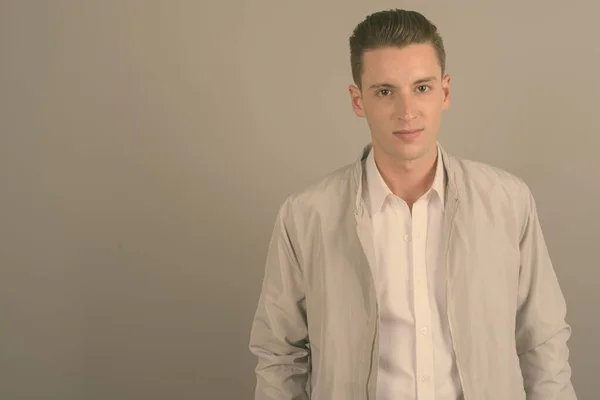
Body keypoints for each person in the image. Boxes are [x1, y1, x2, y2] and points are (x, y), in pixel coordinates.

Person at [249, 8, 576, 400]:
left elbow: (543, 343)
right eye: (385, 91)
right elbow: (279, 356)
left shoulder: (508, 202)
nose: (407, 111)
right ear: (358, 101)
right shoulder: (305, 217)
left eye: (421, 87)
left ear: (445, 92)